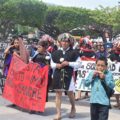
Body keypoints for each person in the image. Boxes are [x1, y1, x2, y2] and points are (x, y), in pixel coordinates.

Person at [51, 33, 81, 120]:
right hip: (57, 74)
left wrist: (68, 63)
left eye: (66, 41)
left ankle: (73, 107)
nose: (64, 43)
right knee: (58, 93)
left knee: (70, 93)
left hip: (68, 75)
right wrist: (56, 65)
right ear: (60, 42)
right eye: (62, 41)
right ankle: (58, 113)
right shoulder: (55, 52)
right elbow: (51, 64)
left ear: (69, 42)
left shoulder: (74, 52)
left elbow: (79, 64)